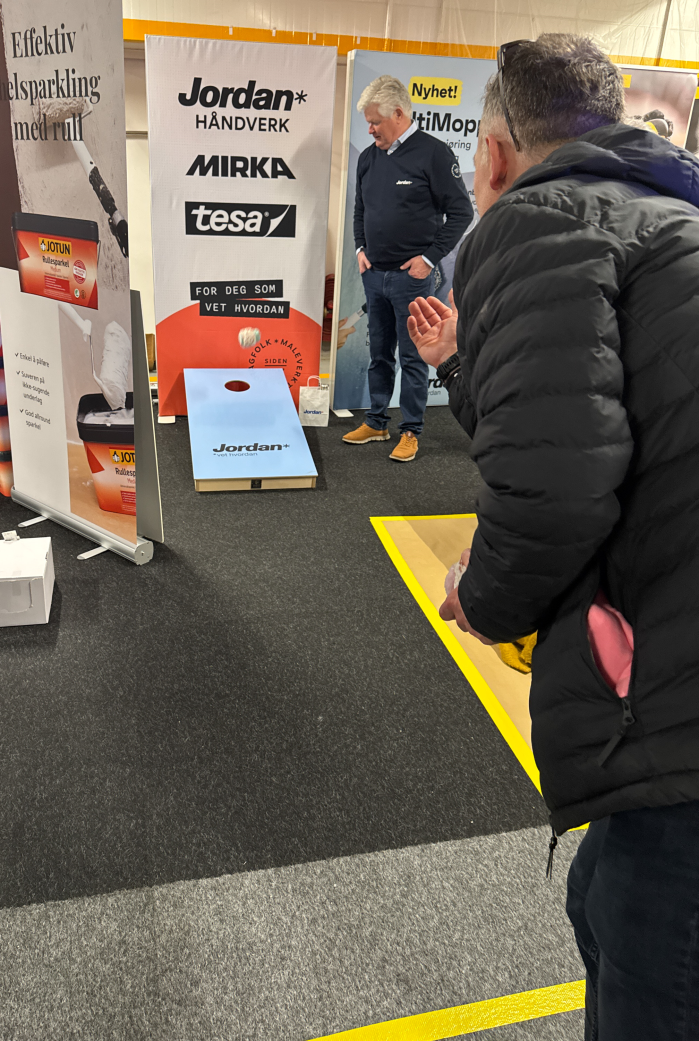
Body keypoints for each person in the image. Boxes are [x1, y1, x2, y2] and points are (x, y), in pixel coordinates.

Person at [408, 34, 699, 1038]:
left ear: (493, 154)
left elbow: (556, 486)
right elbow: (585, 417)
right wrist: (461, 368)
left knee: (650, 970)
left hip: (681, 705)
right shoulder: (673, 219)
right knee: (599, 898)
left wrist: (481, 597)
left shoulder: (544, 220)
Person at [343, 75, 474, 462]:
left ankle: (411, 431)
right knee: (379, 354)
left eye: (375, 122)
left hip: (411, 278)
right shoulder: (369, 157)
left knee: (412, 357)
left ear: (398, 113)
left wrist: (430, 258)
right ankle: (378, 422)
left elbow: (462, 211)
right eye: (367, 123)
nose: (370, 129)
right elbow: (360, 209)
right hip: (374, 275)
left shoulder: (433, 153)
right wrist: (360, 249)